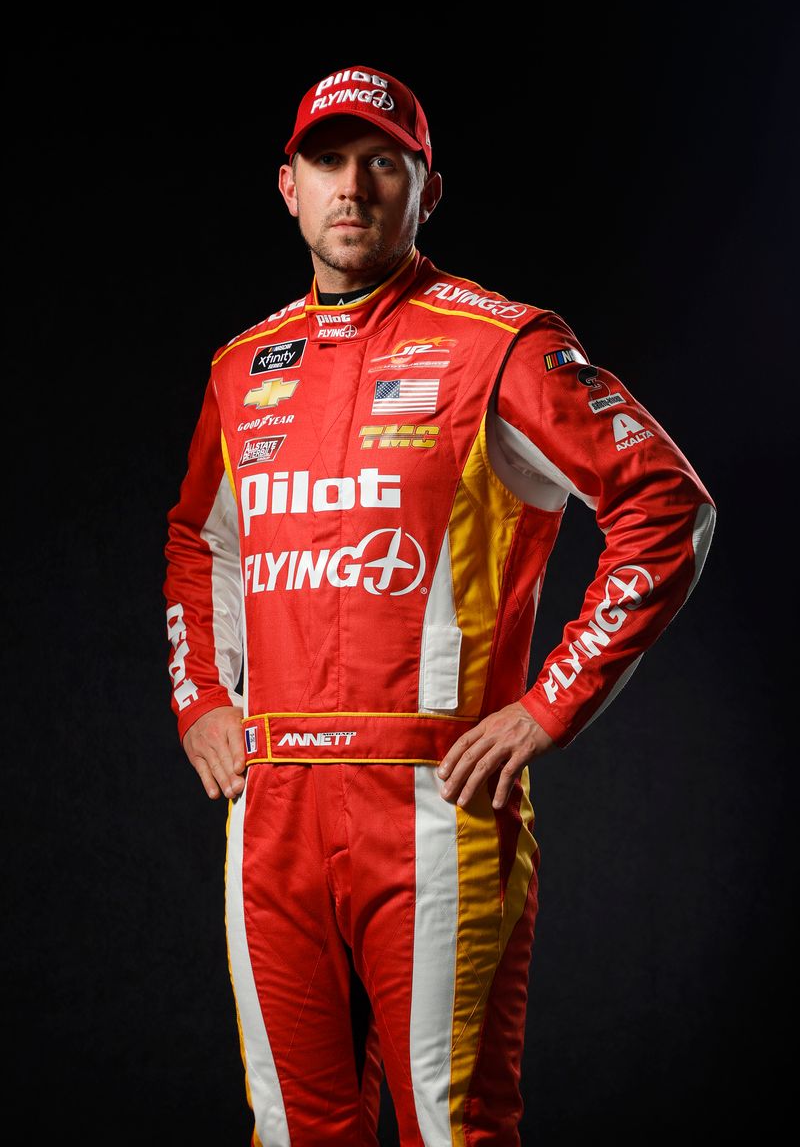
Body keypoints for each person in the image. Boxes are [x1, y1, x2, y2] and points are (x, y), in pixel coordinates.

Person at [163, 63, 716, 1146]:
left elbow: (665, 508)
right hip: (268, 809)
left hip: (433, 807)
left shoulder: (499, 342)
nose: (352, 187)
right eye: (327, 161)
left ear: (428, 189)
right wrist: (199, 700)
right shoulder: (240, 367)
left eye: (384, 162)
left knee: (451, 1128)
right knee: (289, 1129)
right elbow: (200, 539)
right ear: (287, 185)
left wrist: (547, 706)